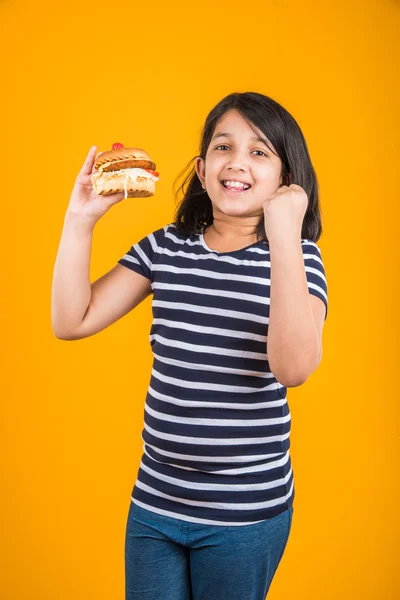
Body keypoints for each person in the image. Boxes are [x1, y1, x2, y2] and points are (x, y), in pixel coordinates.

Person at [51, 91, 328, 600]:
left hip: (243, 514)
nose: (237, 162)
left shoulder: (298, 259)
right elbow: (73, 320)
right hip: (156, 503)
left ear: (286, 181)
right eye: (223, 147)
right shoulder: (164, 248)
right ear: (202, 171)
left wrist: (284, 235)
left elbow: (293, 368)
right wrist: (81, 219)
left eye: (259, 151)